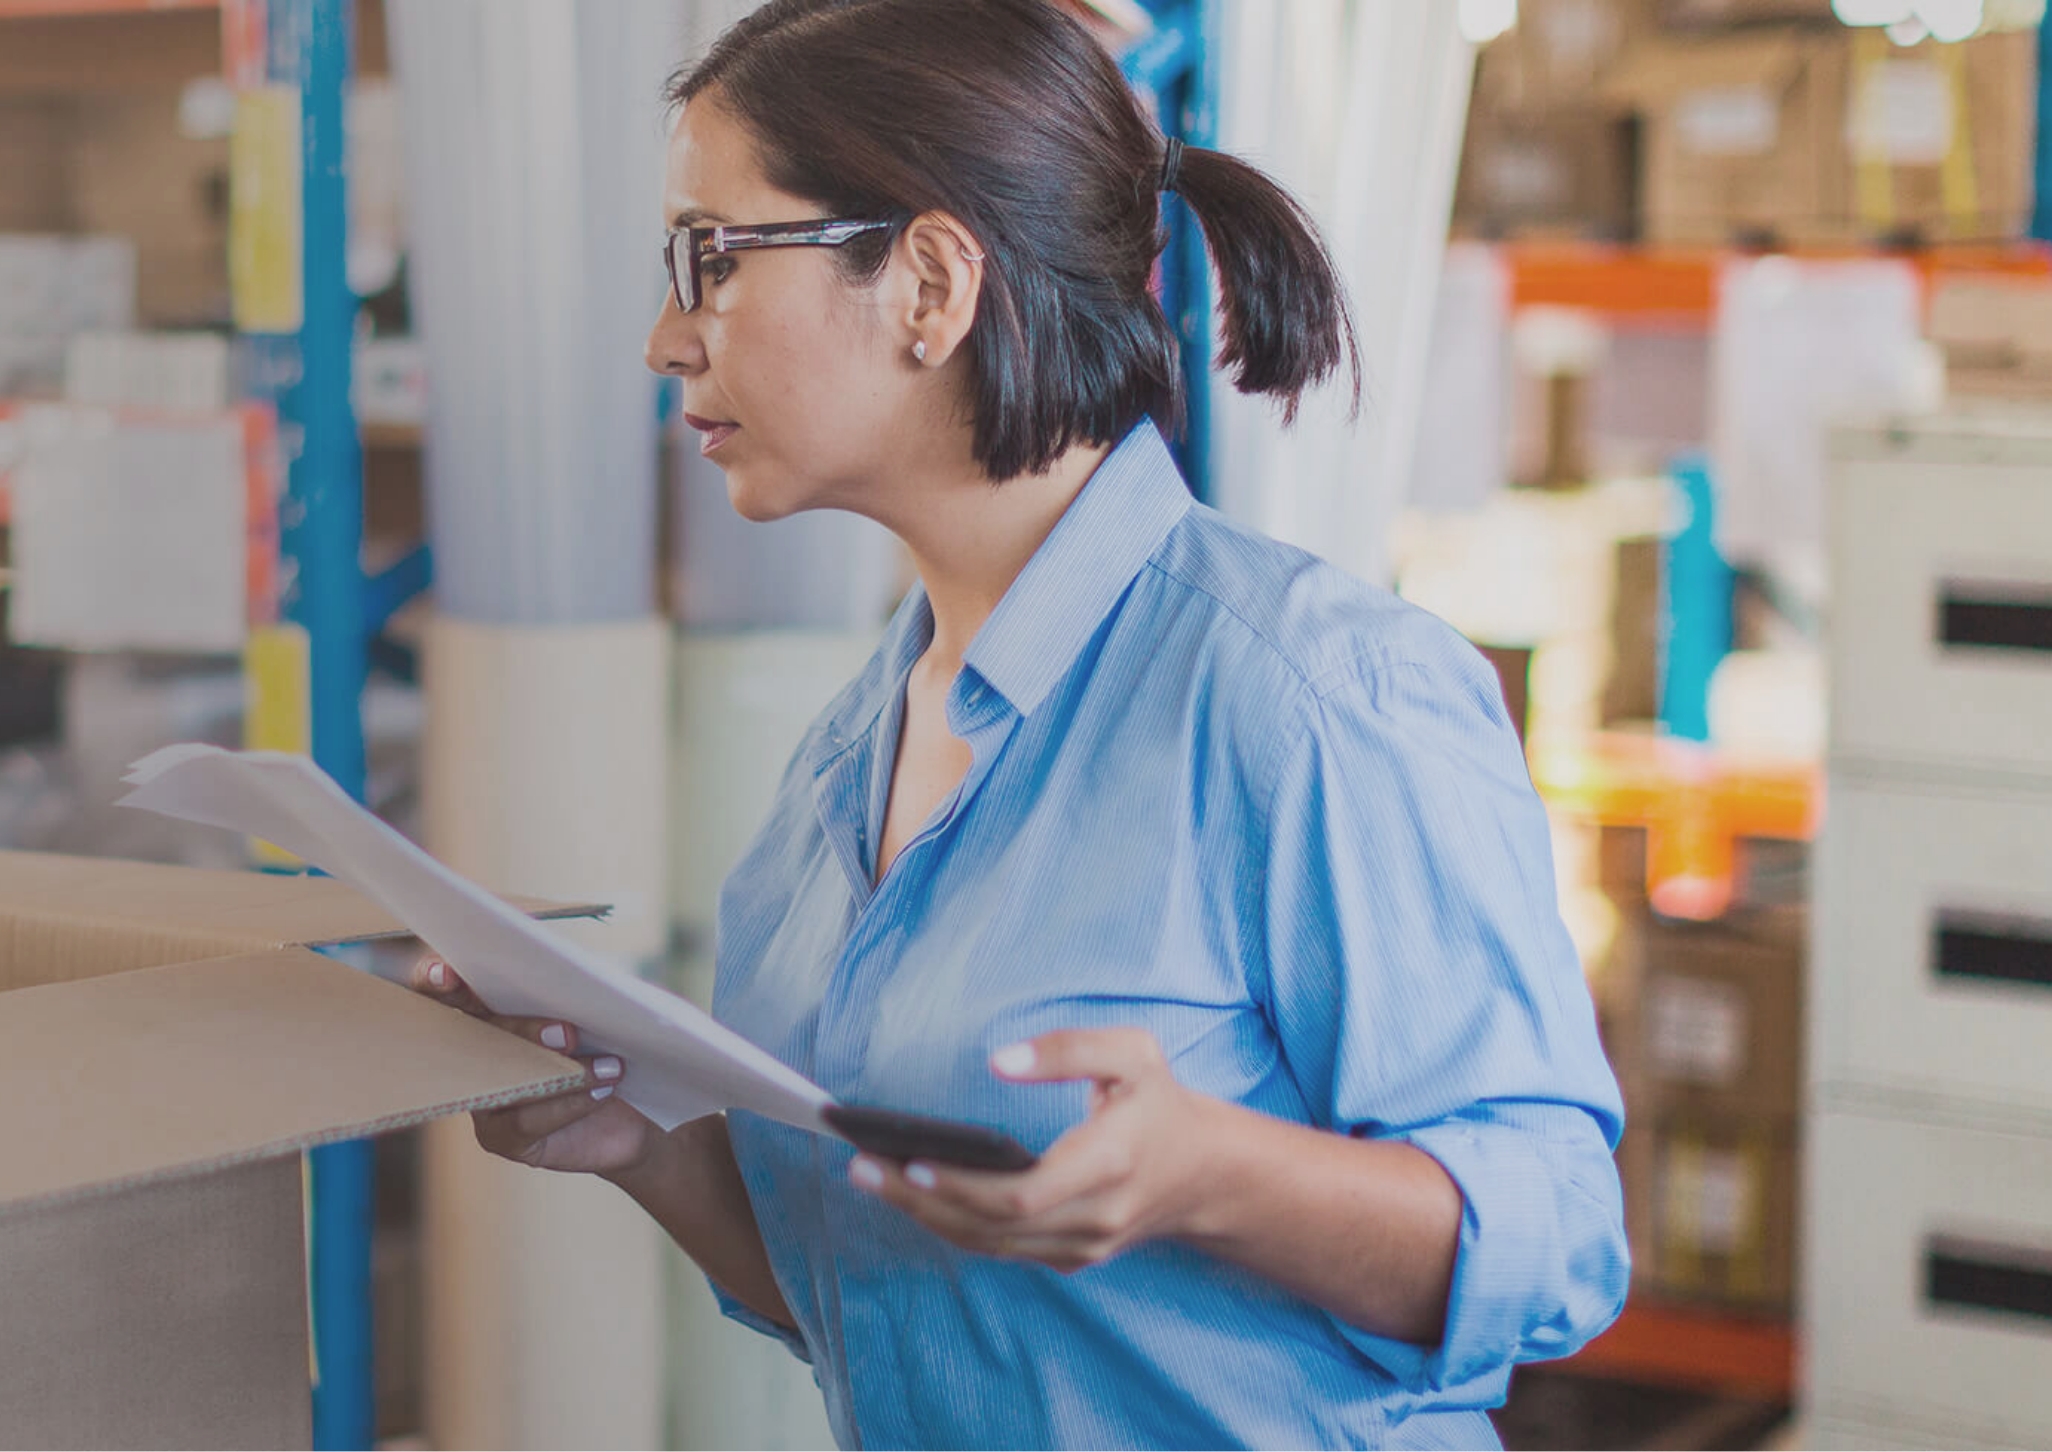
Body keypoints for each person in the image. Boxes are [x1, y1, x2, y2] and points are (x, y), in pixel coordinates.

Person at [414, 0, 1628, 1445]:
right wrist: (634, 1142)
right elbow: (890, 1298)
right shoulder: (853, 748)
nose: (668, 339)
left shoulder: (1311, 696)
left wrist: (1211, 1177)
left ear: (930, 283)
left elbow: (1561, 1244)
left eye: (715, 259)